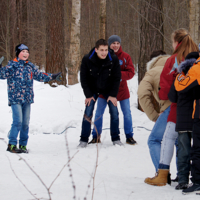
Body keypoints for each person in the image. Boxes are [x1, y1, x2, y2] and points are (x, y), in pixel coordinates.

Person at [144, 29, 198, 188]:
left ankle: (162, 174)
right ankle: (187, 177)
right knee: (191, 143)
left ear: (176, 43)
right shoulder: (198, 58)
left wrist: (163, 96)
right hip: (197, 108)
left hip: (178, 108)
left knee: (169, 138)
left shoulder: (173, 60)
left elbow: (166, 88)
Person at [0, 44, 62, 153]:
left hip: (27, 99)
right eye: (22, 51)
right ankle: (12, 145)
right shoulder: (12, 65)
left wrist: (53, 76)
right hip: (15, 99)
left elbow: (40, 76)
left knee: (25, 123)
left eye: (27, 52)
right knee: (18, 121)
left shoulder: (30, 66)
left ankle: (23, 145)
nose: (25, 54)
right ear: (18, 53)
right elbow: (2, 75)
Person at [89, 35, 136, 145]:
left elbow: (131, 72)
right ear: (109, 45)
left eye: (117, 43)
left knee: (127, 114)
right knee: (99, 113)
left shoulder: (125, 57)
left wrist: (118, 75)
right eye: (113, 43)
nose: (115, 45)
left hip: (122, 91)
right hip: (104, 91)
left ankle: (129, 136)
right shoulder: (103, 55)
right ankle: (96, 136)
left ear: (120, 44)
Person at [78, 39, 121, 148]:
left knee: (114, 112)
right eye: (101, 50)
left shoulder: (113, 59)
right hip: (92, 89)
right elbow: (84, 78)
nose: (104, 53)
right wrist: (88, 95)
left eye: (106, 50)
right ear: (96, 50)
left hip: (108, 89)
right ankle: (83, 139)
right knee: (88, 111)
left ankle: (116, 138)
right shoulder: (87, 59)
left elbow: (117, 78)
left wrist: (112, 95)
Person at [137, 50, 172, 174]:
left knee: (154, 140)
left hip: (169, 110)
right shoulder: (178, 66)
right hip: (186, 109)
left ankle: (161, 173)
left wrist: (154, 116)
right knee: (180, 142)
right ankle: (182, 177)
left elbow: (142, 93)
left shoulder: (152, 72)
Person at [173, 52, 200, 194]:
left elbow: (173, 94)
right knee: (195, 149)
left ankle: (183, 179)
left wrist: (178, 76)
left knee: (184, 150)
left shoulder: (184, 75)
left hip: (185, 117)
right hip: (195, 115)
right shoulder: (196, 71)